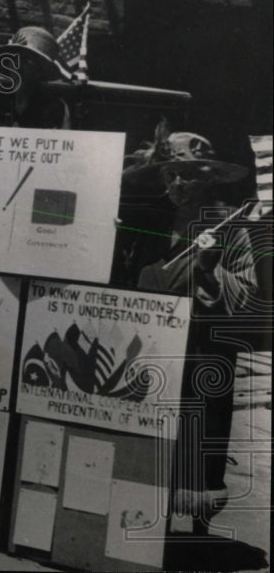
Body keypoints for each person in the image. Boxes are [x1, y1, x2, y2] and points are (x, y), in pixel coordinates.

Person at [122, 126, 255, 534]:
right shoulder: (147, 224)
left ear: (210, 177)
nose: (178, 184)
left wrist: (209, 271)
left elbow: (250, 293)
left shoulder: (231, 228)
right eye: (170, 175)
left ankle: (198, 530)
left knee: (199, 436)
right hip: (153, 348)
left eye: (190, 175)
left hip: (202, 354)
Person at [0, 26, 72, 129]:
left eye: (25, 60)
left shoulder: (55, 108)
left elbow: (63, 141)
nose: (16, 66)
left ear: (40, 71)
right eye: (13, 59)